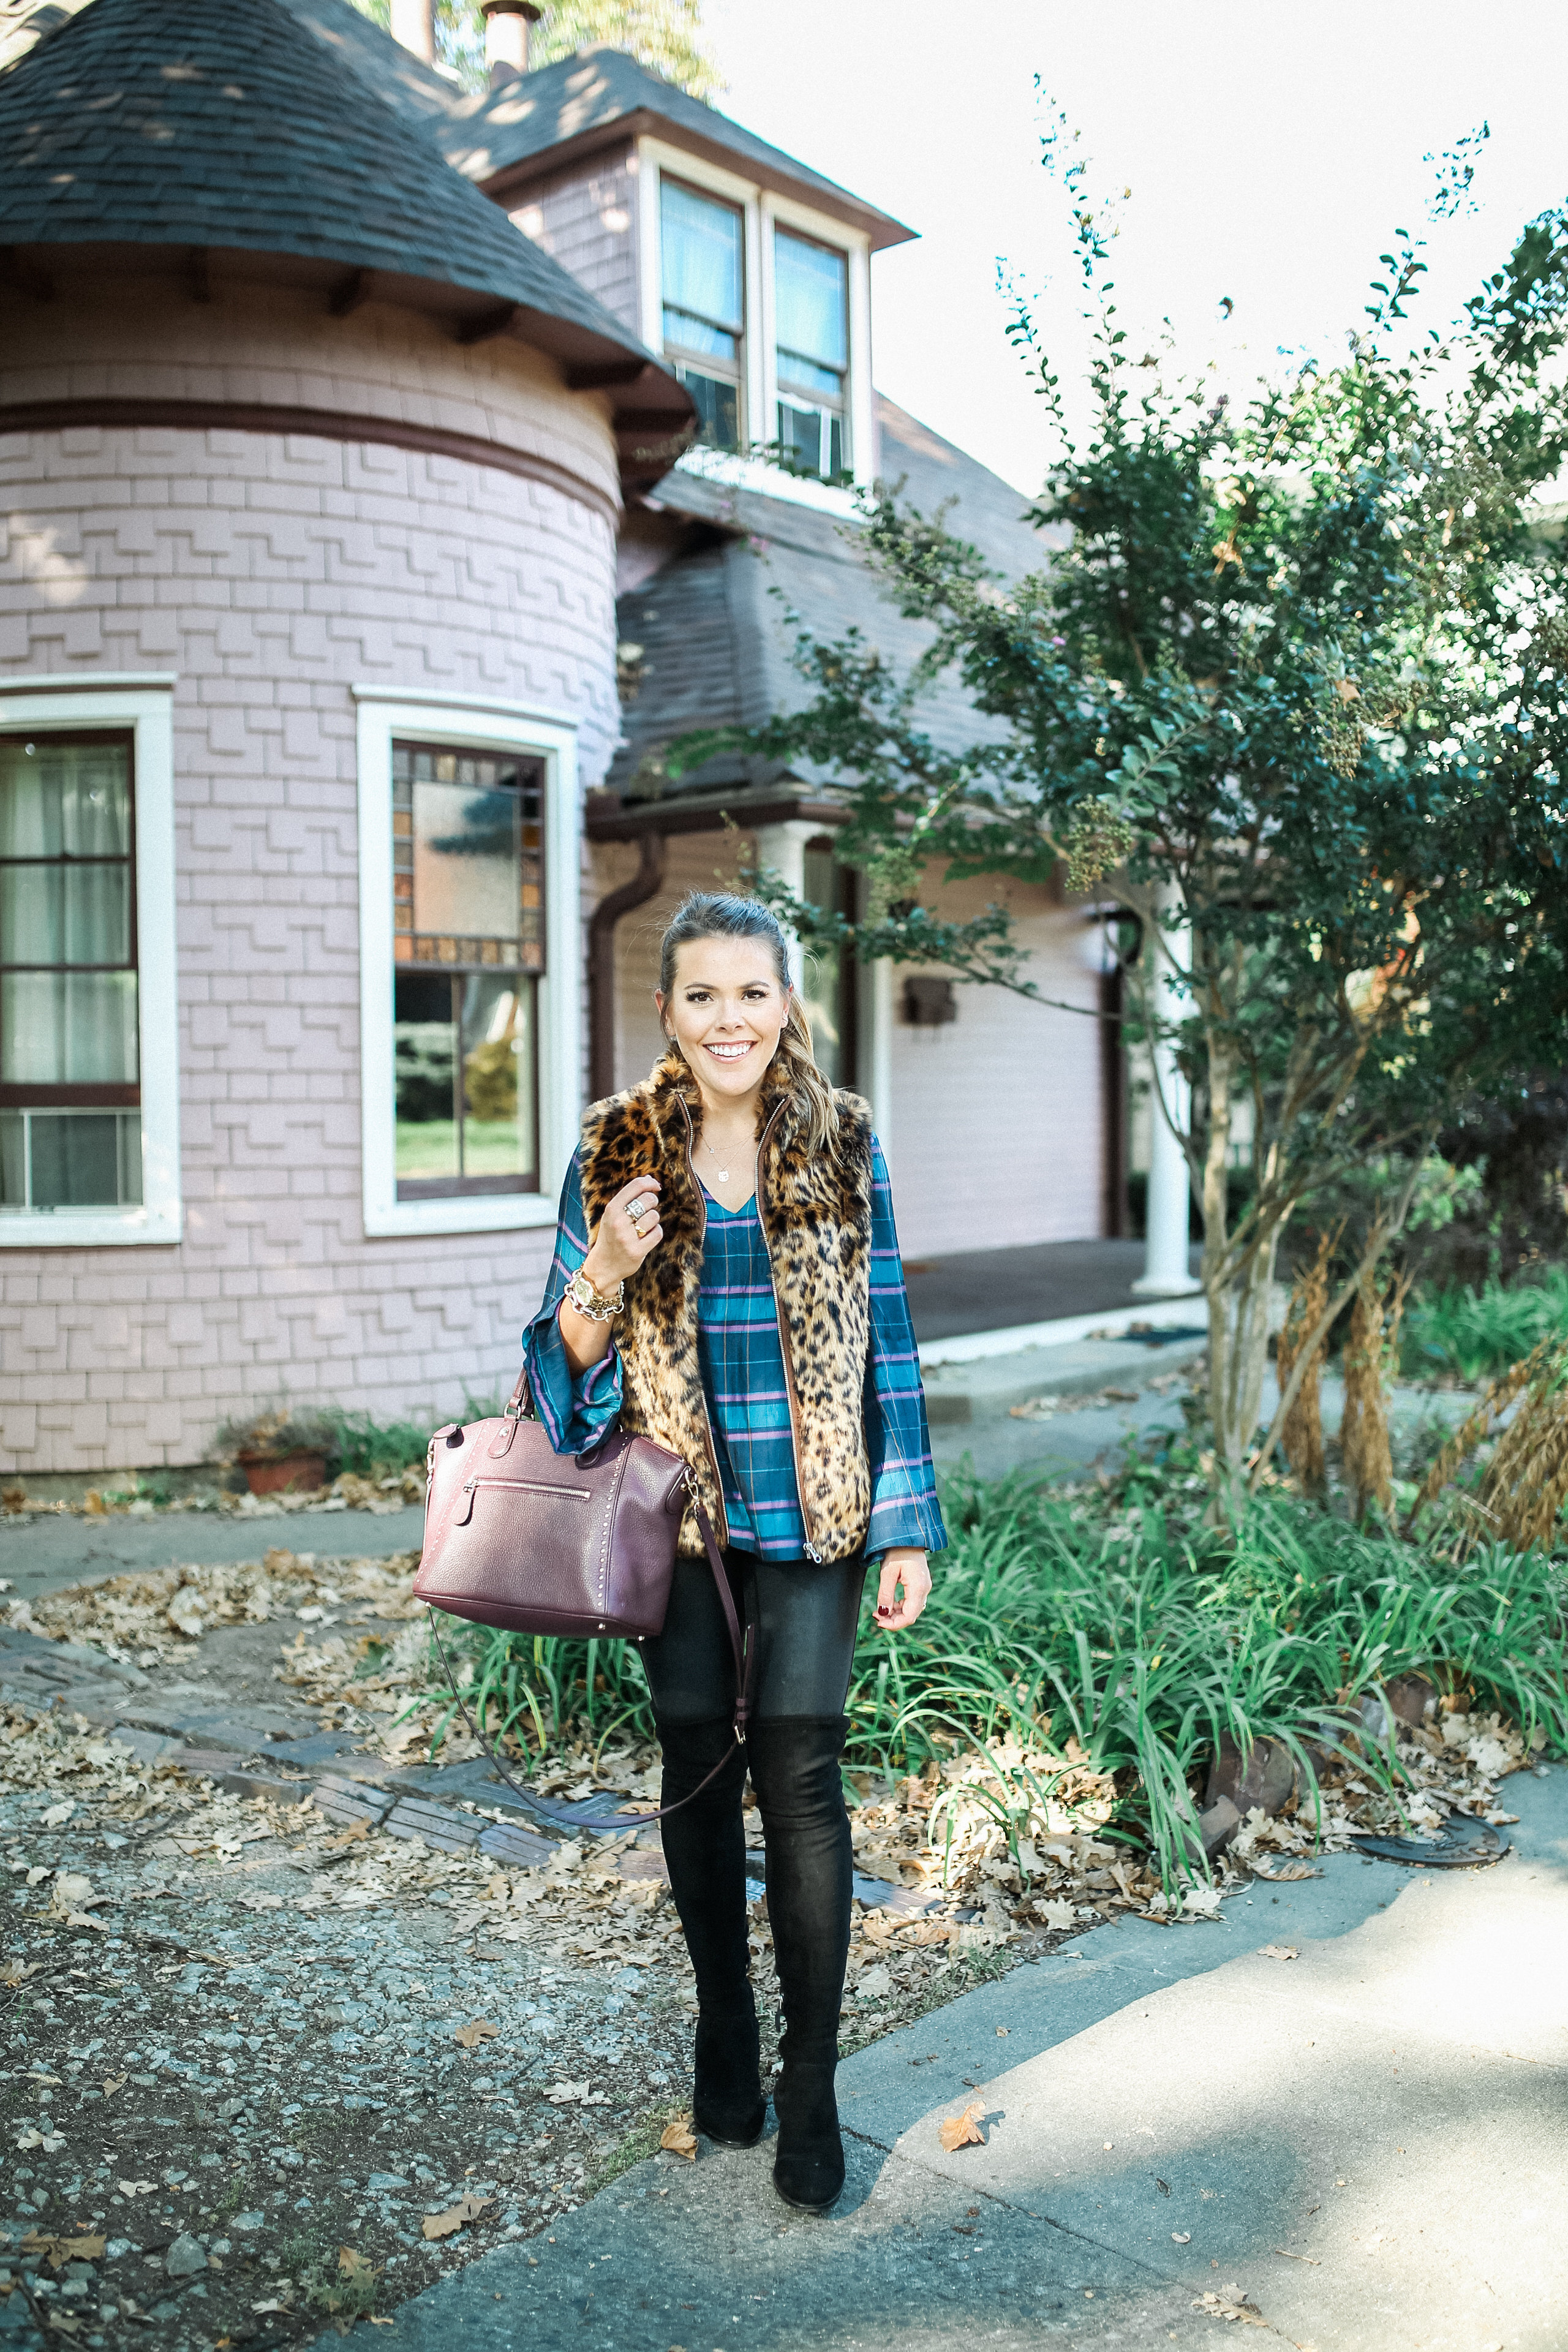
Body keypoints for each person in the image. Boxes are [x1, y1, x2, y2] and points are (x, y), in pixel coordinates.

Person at [522, 890, 944, 2213]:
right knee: (699, 1776)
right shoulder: (612, 1150)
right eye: (701, 995)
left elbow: (890, 1337)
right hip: (677, 1524)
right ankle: (724, 2028)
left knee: (802, 1785)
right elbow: (552, 1382)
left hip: (812, 1516)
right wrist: (600, 1267)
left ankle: (811, 2084)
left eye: (750, 994)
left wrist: (905, 1519)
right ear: (666, 1012)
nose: (728, 1020)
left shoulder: (843, 1141)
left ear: (786, 1005)